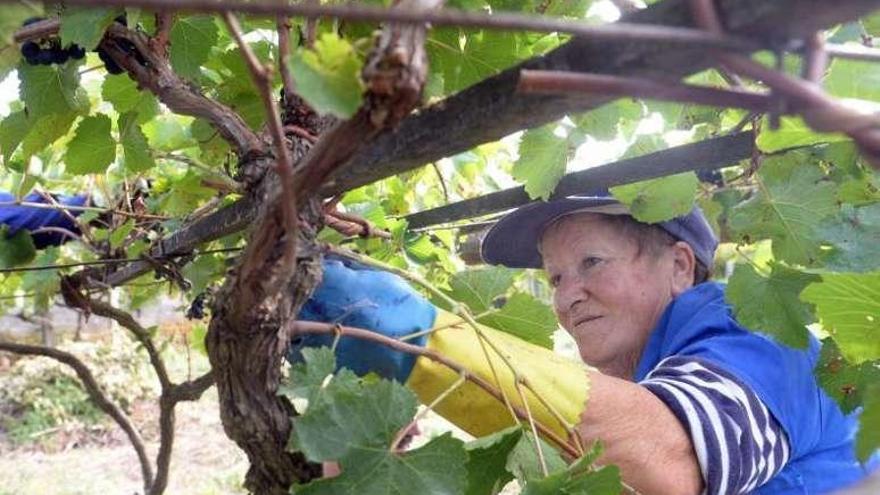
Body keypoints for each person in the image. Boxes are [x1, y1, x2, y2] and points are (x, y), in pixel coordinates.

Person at [293, 193, 875, 495]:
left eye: (591, 262)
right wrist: (359, 428)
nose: (568, 296)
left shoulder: (758, 330)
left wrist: (423, 343)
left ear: (678, 265)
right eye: (555, 278)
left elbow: (674, 462)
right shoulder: (641, 380)